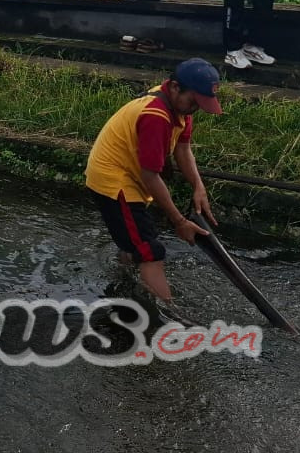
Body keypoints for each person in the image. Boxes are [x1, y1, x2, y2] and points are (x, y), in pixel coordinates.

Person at [85, 58, 221, 304]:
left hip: (130, 176)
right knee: (150, 250)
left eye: (200, 104)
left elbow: (182, 148)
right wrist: (179, 221)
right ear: (176, 87)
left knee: (134, 238)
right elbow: (150, 175)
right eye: (194, 101)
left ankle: (126, 280)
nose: (194, 109)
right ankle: (165, 312)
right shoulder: (156, 115)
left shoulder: (179, 107)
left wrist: (198, 187)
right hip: (115, 181)